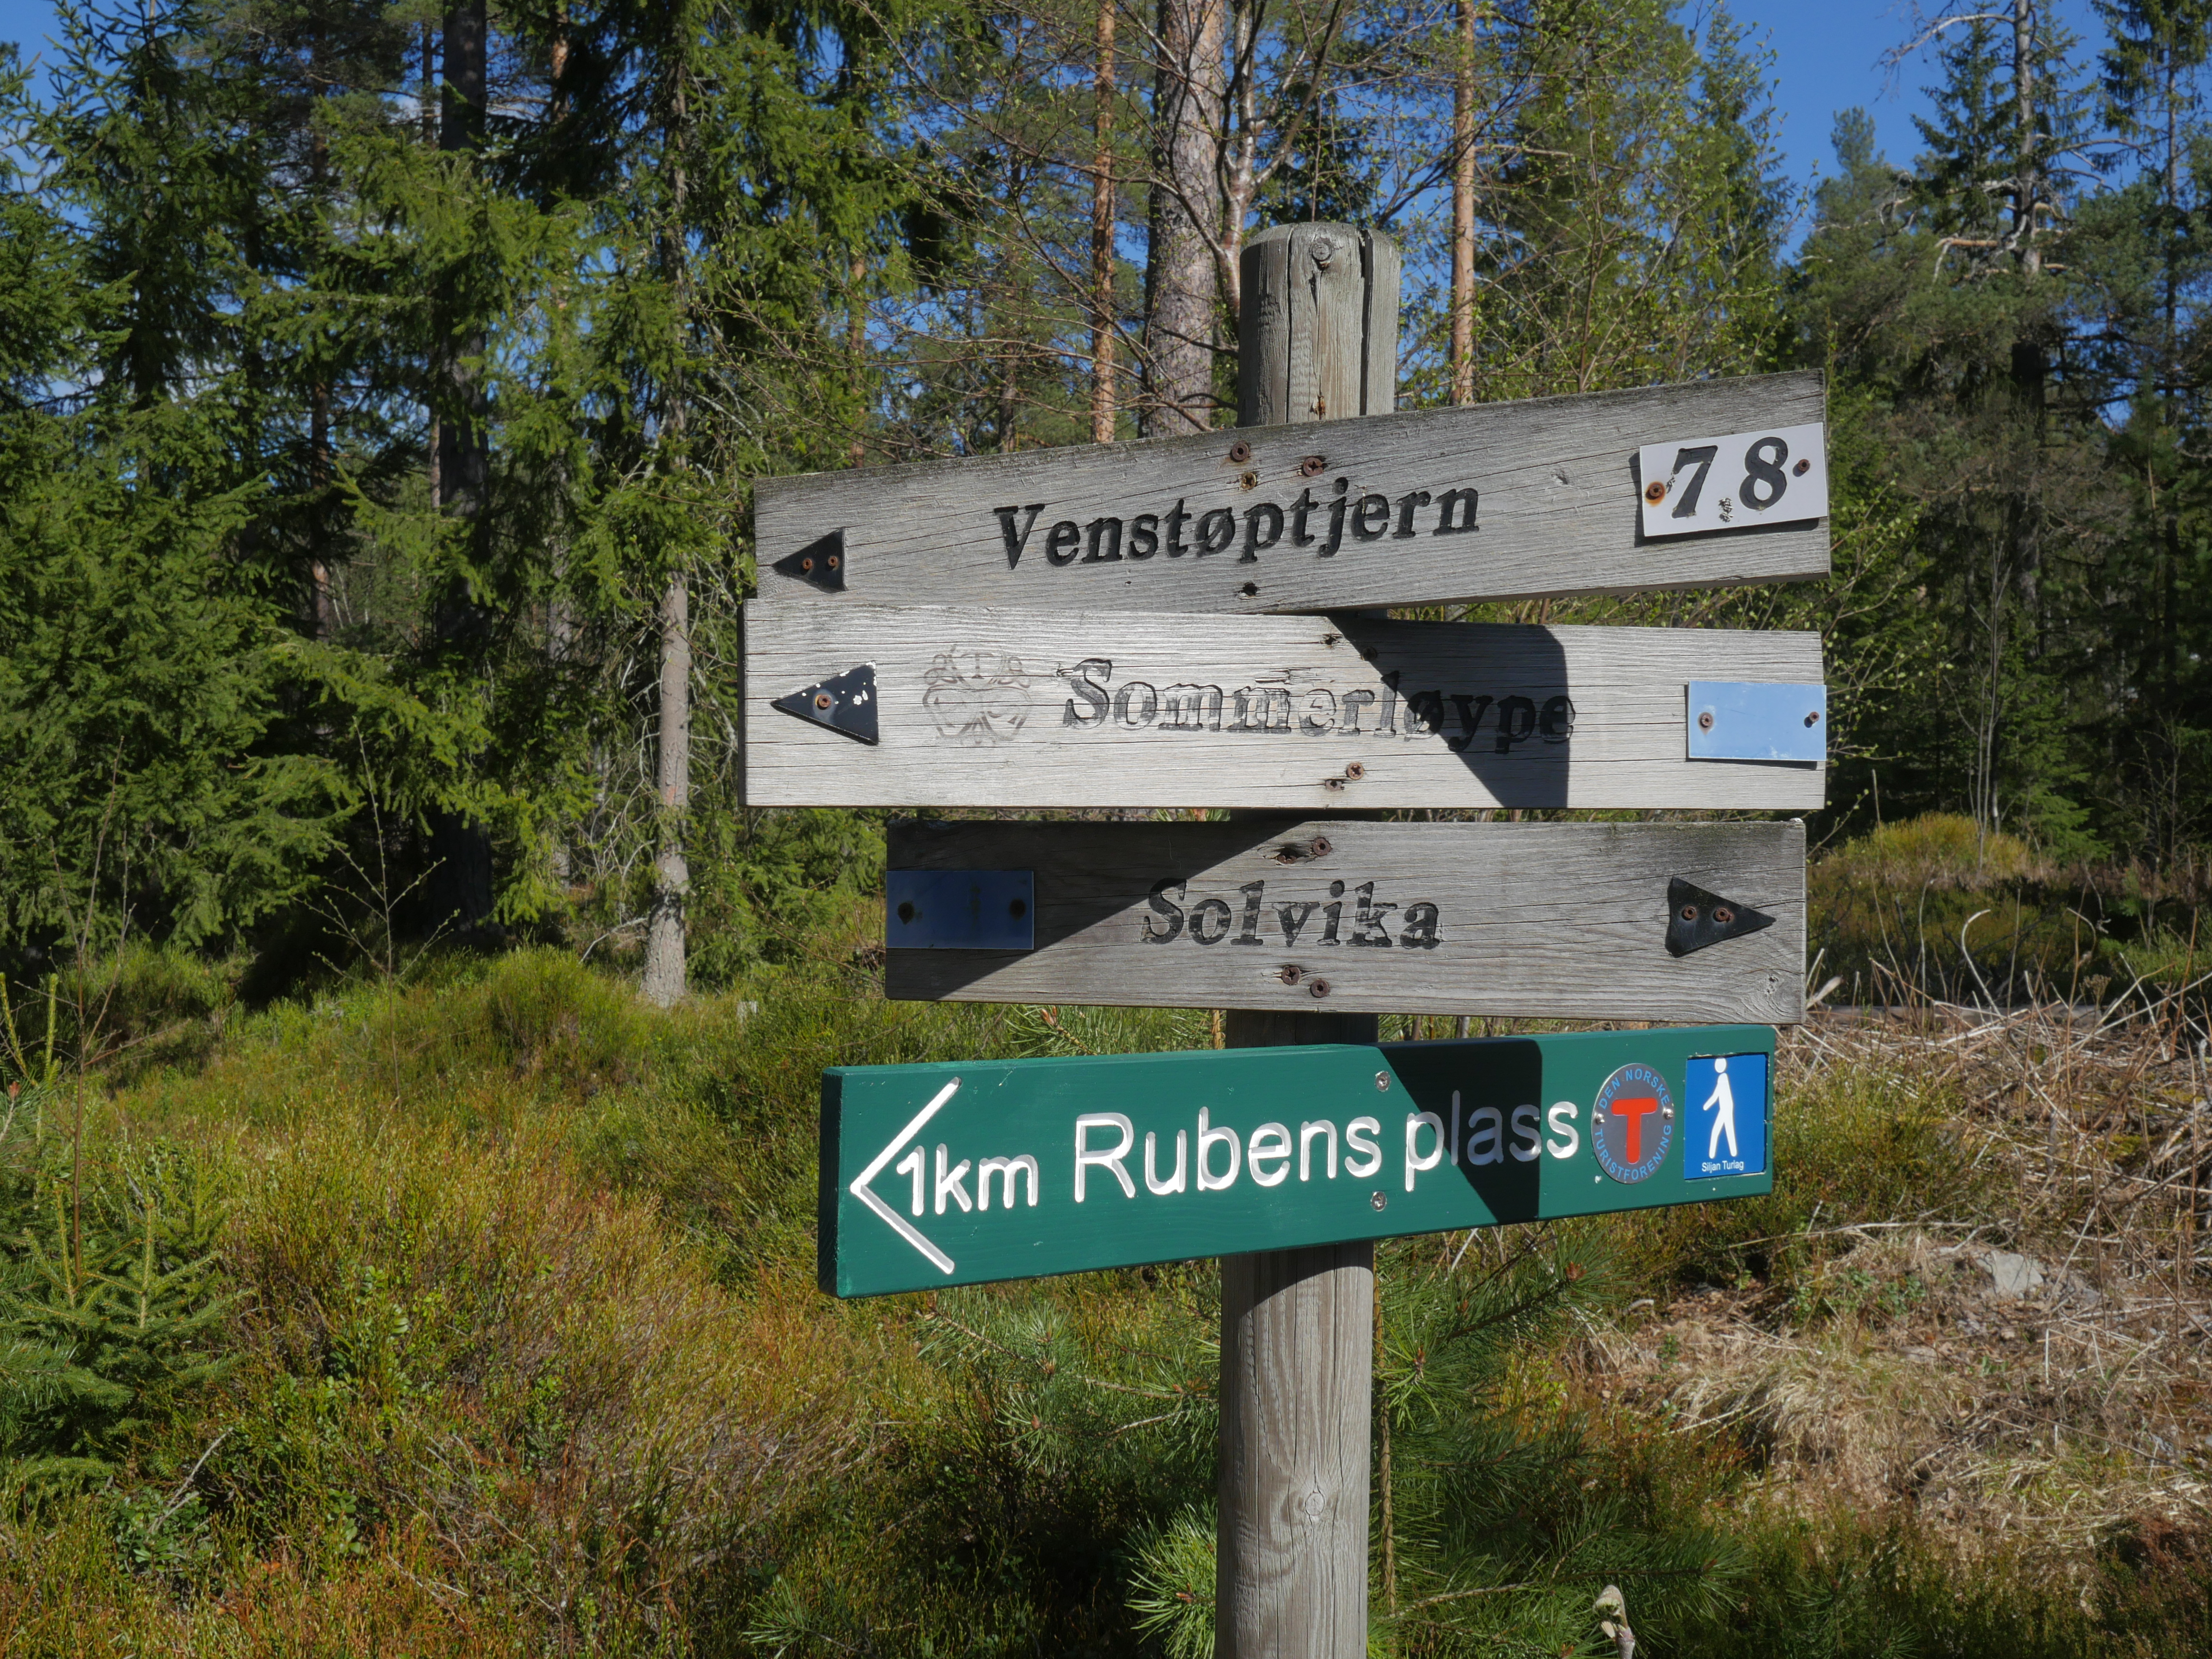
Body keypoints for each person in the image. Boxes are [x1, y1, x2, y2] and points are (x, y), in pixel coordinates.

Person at [1700, 1057, 1737, 1161]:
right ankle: (1733, 1154)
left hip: (1726, 1108)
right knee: (1728, 1130)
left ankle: (1712, 1158)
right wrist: (1707, 1106)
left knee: (1717, 1131)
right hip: (1726, 1107)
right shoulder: (1723, 1077)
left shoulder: (1723, 1078)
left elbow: (1716, 1095)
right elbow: (1716, 1094)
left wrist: (1706, 1106)